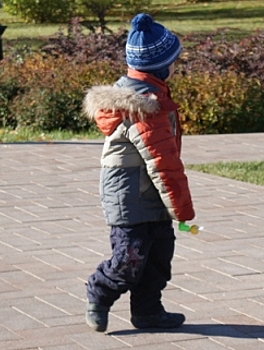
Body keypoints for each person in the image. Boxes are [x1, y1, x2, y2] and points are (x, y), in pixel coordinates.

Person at [82, 13, 196, 332]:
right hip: (131, 198)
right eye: (173, 61)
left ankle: (147, 312)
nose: (176, 66)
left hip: (150, 195)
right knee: (129, 259)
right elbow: (163, 163)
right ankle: (99, 293)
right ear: (160, 67)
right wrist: (183, 210)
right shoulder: (144, 108)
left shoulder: (151, 97)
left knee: (158, 255)